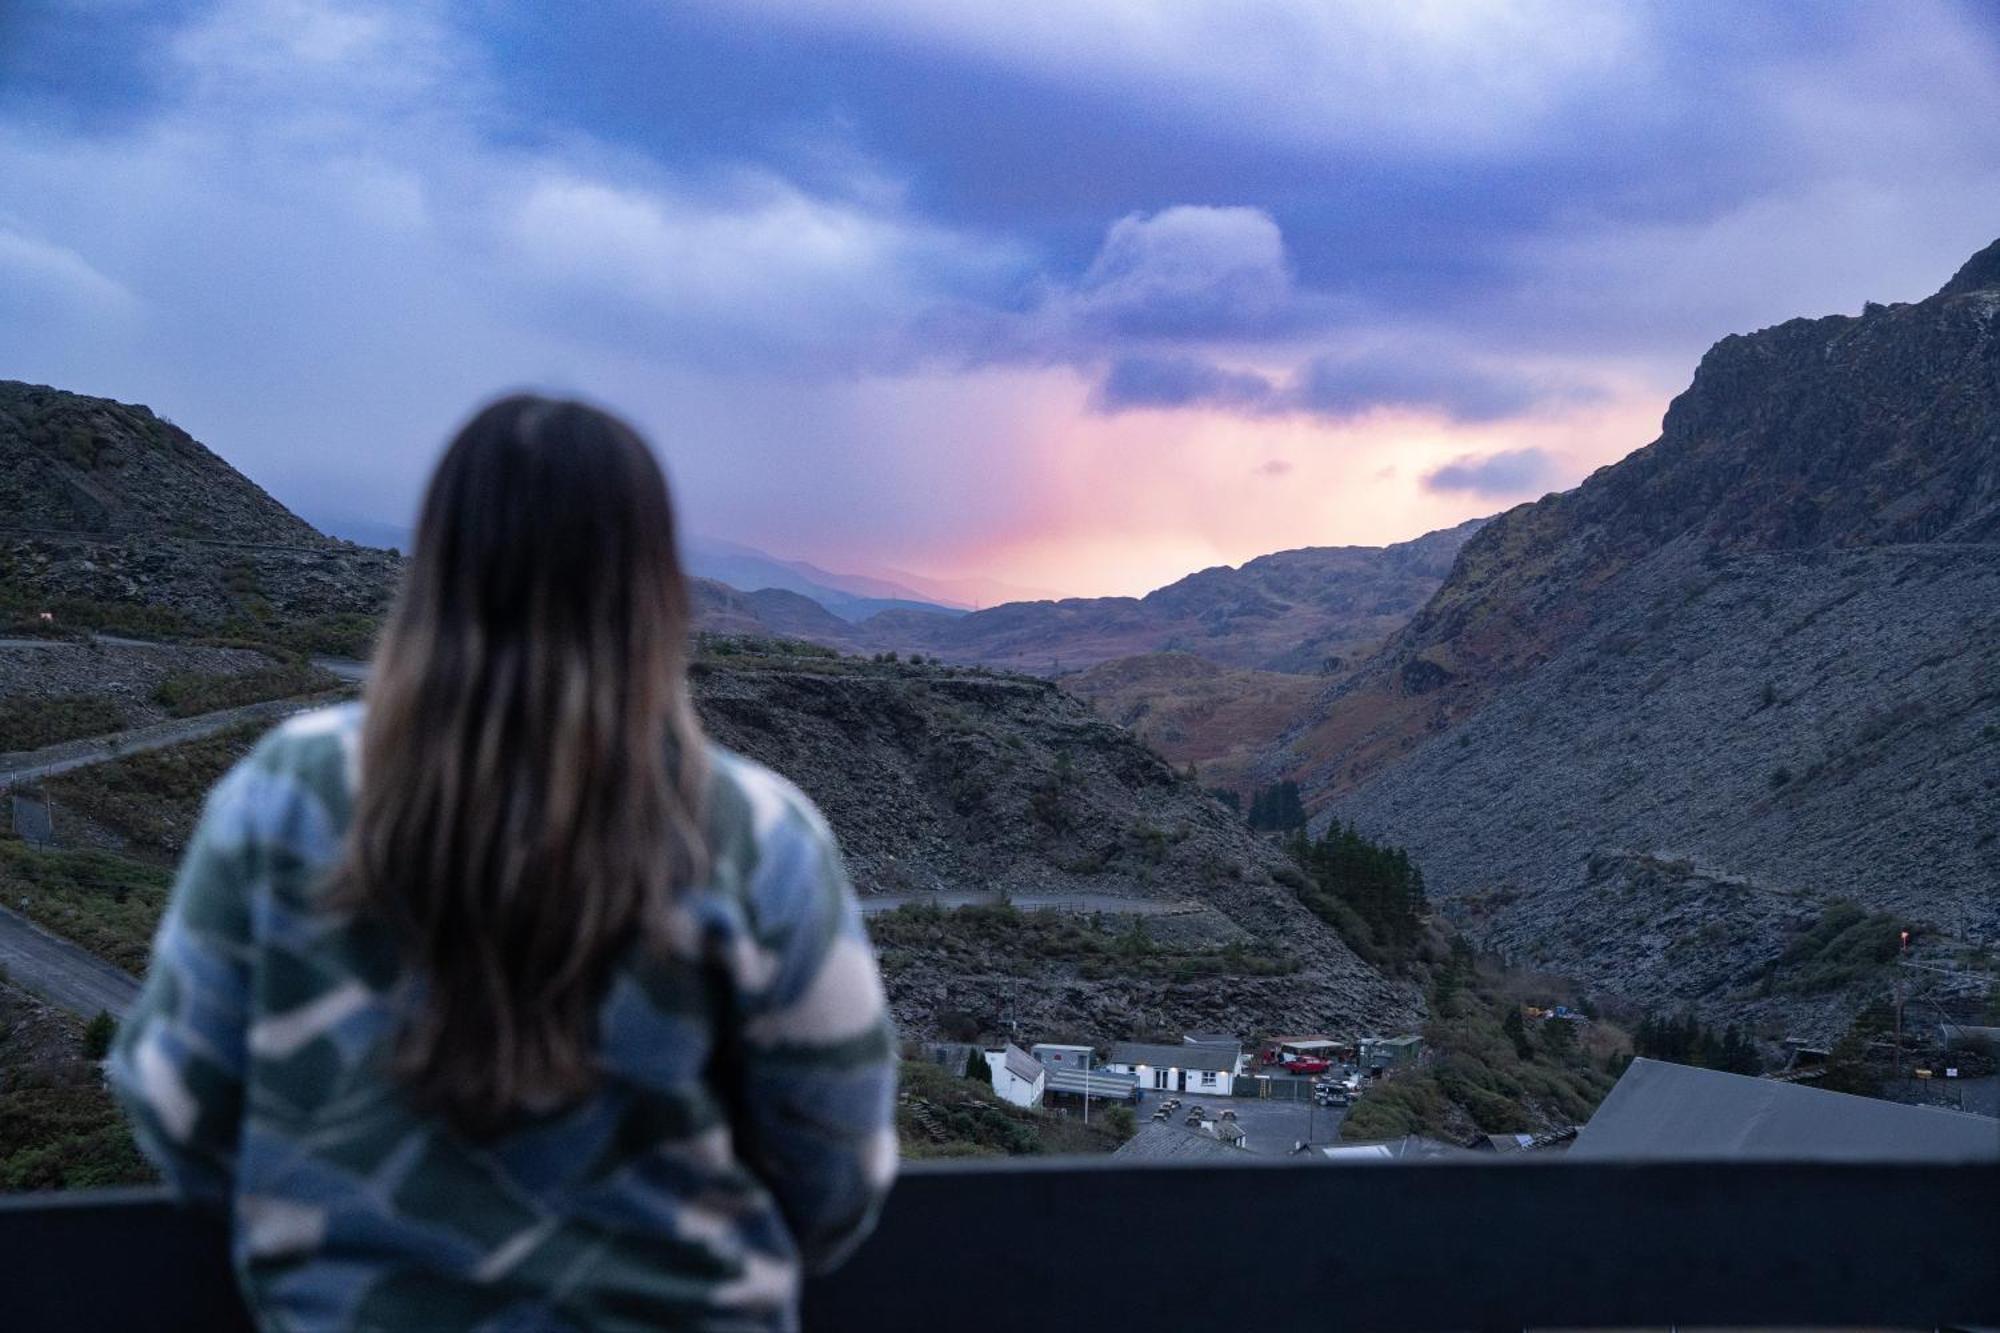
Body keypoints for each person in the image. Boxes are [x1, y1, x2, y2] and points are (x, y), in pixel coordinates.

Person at [110, 395, 898, 1331]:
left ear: (434, 570)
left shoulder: (283, 794)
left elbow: (177, 1114)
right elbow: (838, 1173)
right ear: (655, 587)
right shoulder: (759, 834)